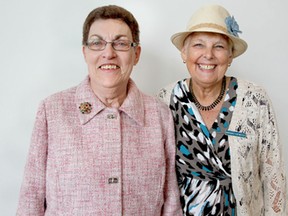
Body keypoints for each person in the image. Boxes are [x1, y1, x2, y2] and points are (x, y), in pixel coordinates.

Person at [17, 5, 182, 215]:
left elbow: (171, 203)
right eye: (97, 43)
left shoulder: (160, 115)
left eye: (121, 43)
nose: (108, 53)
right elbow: (31, 198)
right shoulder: (52, 111)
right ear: (85, 52)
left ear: (136, 54)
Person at [157, 4, 287, 216]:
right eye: (198, 45)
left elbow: (273, 177)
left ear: (230, 56)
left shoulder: (255, 100)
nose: (208, 55)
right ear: (184, 53)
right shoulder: (165, 98)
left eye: (218, 46)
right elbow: (156, 176)